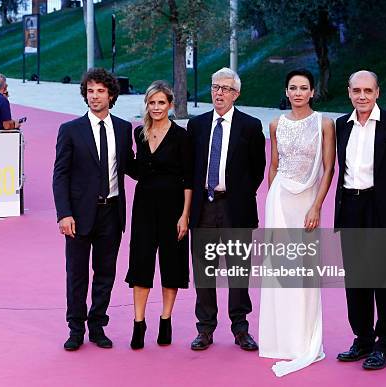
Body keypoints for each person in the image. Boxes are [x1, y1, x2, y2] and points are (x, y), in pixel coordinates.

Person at [335, 70, 386, 370]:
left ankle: (384, 346)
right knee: (355, 280)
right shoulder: (342, 125)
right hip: (350, 207)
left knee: (382, 280)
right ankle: (362, 339)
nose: (362, 96)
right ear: (349, 93)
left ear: (378, 92)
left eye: (368, 91)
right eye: (357, 91)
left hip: (380, 209)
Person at [258, 69, 335, 376]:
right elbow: (273, 166)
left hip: (307, 202)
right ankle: (278, 339)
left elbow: (328, 169)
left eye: (304, 87)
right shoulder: (276, 123)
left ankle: (303, 339)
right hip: (279, 201)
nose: (299, 92)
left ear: (312, 92)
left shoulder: (324, 123)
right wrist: (270, 201)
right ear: (287, 91)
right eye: (293, 87)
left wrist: (317, 206)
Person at [52, 68, 133, 351]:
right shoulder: (70, 130)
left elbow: (131, 166)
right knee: (76, 274)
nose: (95, 96)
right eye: (90, 91)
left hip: (111, 212)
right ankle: (75, 329)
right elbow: (59, 175)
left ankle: (98, 325)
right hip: (78, 216)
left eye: (100, 91)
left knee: (105, 273)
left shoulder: (124, 129)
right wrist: (64, 213)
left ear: (111, 95)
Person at [187, 67, 265, 351]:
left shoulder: (250, 125)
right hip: (204, 207)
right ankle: (205, 328)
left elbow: (257, 168)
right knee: (204, 271)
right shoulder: (196, 126)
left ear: (237, 94)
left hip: (236, 207)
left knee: (238, 271)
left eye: (226, 89)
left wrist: (239, 194)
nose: (219, 93)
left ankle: (240, 328)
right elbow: (191, 168)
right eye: (215, 87)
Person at [124, 81, 193, 349]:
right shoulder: (139, 133)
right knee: (141, 262)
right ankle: (138, 324)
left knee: (171, 263)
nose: (156, 107)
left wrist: (185, 215)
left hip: (174, 206)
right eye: (152, 103)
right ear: (147, 104)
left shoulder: (181, 136)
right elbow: (137, 169)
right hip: (143, 206)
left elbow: (189, 178)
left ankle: (166, 320)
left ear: (170, 105)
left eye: (161, 102)